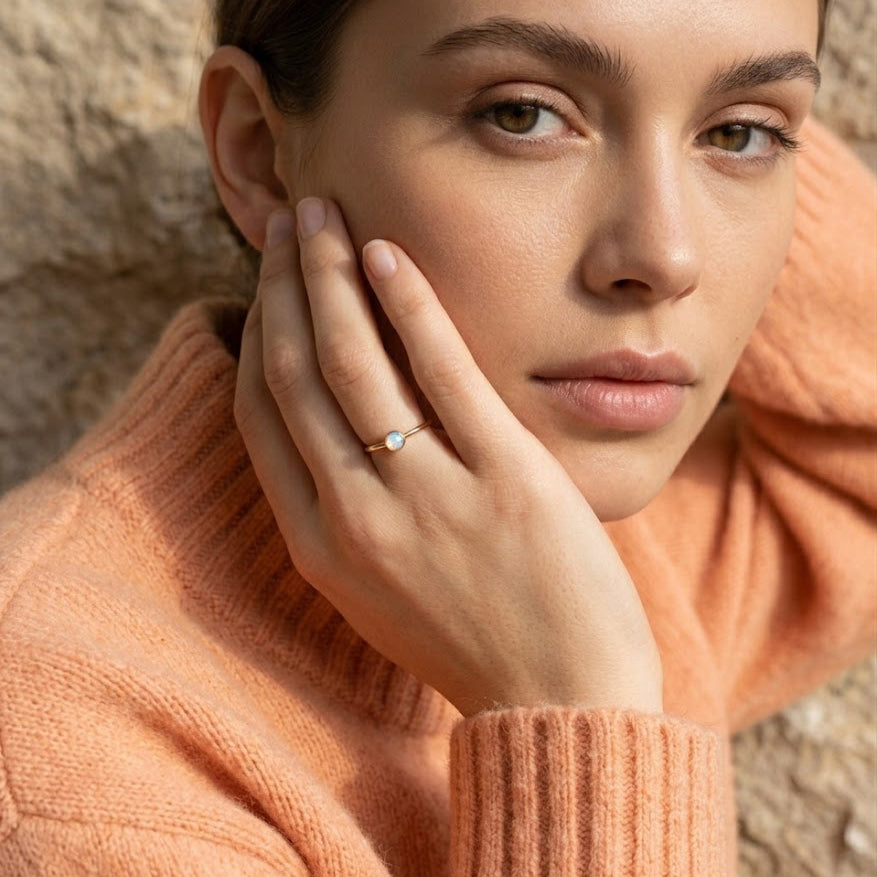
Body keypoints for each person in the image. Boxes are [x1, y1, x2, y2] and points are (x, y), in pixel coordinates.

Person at [0, 0, 874, 873]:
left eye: (743, 136)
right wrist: (573, 707)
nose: (666, 255)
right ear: (258, 154)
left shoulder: (601, 544)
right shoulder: (59, 756)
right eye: (520, 114)